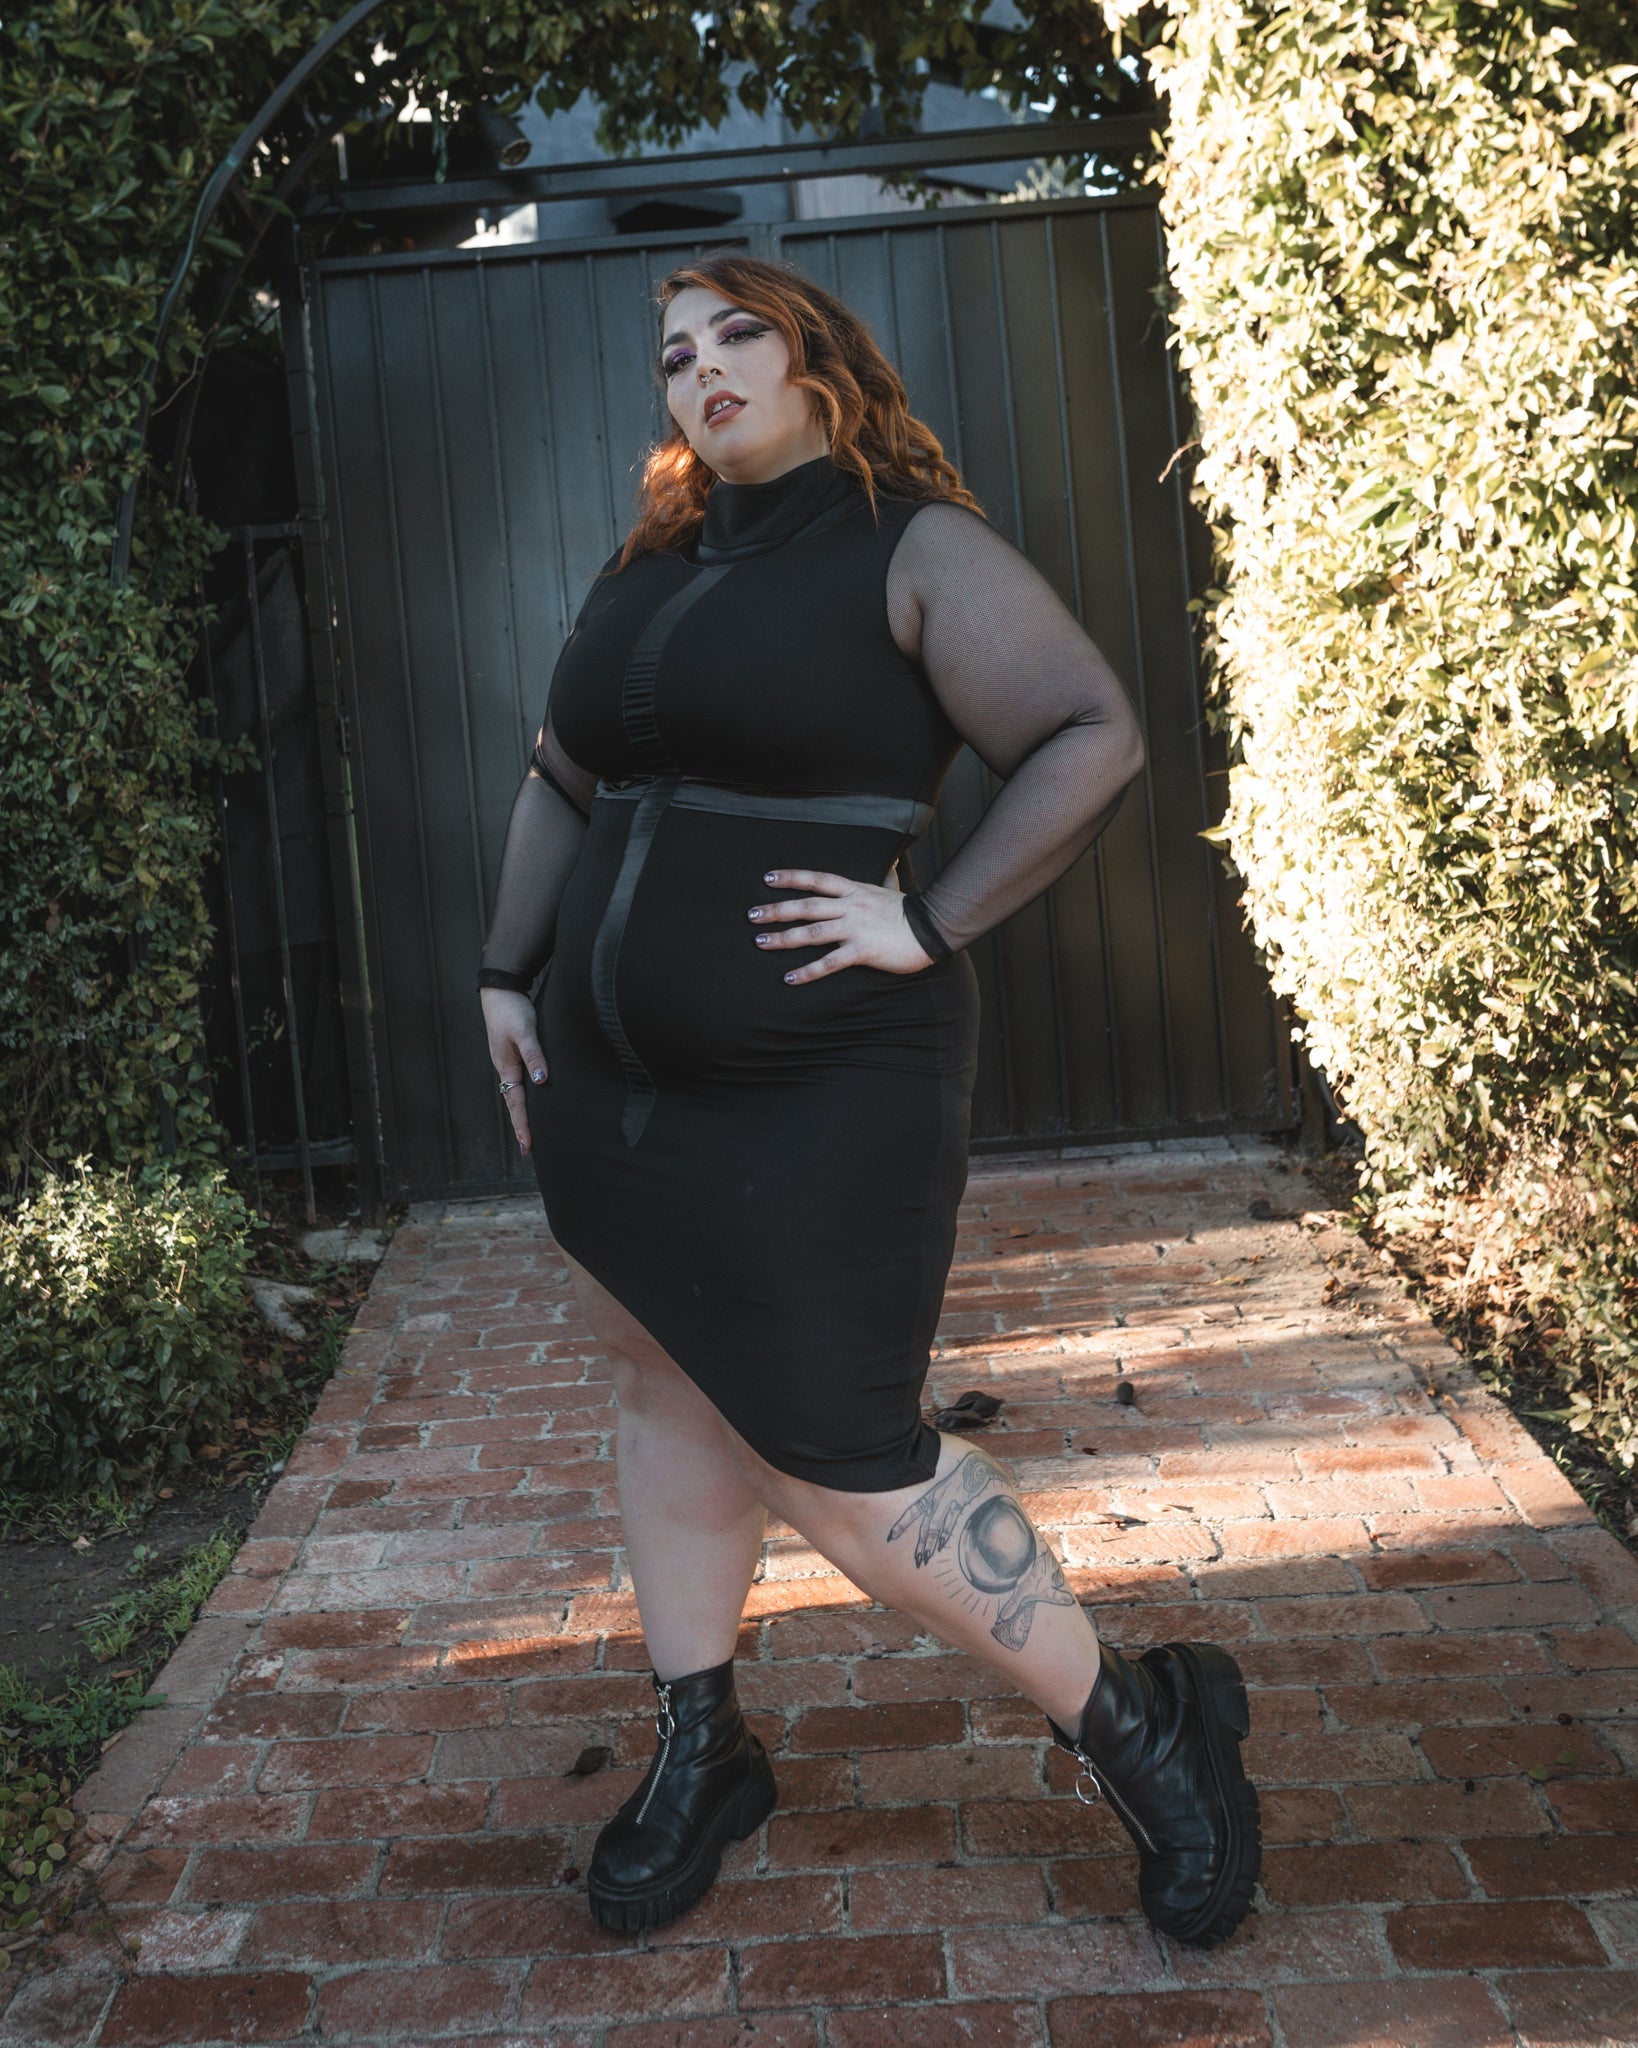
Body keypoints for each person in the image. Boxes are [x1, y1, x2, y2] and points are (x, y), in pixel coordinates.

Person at [478, 252, 1261, 1950]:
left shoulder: (915, 548)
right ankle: (705, 1749)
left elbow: (1088, 731)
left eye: (736, 334)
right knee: (664, 1382)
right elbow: (560, 780)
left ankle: (1143, 1729)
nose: (701, 368)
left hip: (822, 1081)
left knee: (840, 1451)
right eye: (673, 354)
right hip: (611, 1083)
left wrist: (928, 915)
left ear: (817, 357)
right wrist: (500, 973)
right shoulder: (650, 564)